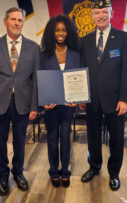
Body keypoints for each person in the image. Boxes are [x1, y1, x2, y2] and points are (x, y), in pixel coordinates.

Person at [79, 0, 127, 191]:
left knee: (116, 138)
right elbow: (82, 70)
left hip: (115, 101)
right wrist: (81, 97)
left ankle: (114, 173)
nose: (100, 15)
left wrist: (124, 99)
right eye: (97, 12)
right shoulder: (84, 40)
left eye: (104, 12)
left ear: (112, 13)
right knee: (93, 136)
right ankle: (94, 167)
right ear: (92, 16)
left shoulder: (124, 38)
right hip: (92, 100)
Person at [0, 7, 39, 196]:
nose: (17, 23)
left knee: (20, 142)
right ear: (5, 22)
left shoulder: (33, 47)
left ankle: (18, 172)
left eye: (20, 20)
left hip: (23, 102)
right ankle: (2, 176)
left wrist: (34, 105)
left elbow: (36, 80)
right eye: (13, 19)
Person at [40, 14, 80, 188]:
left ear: (69, 32)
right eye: (57, 30)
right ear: (51, 33)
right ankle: (53, 171)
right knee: (51, 137)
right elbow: (39, 80)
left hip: (68, 106)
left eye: (64, 30)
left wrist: (77, 99)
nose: (60, 33)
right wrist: (42, 102)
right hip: (50, 105)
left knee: (65, 137)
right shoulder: (44, 55)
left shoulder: (76, 54)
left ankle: (65, 171)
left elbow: (79, 80)